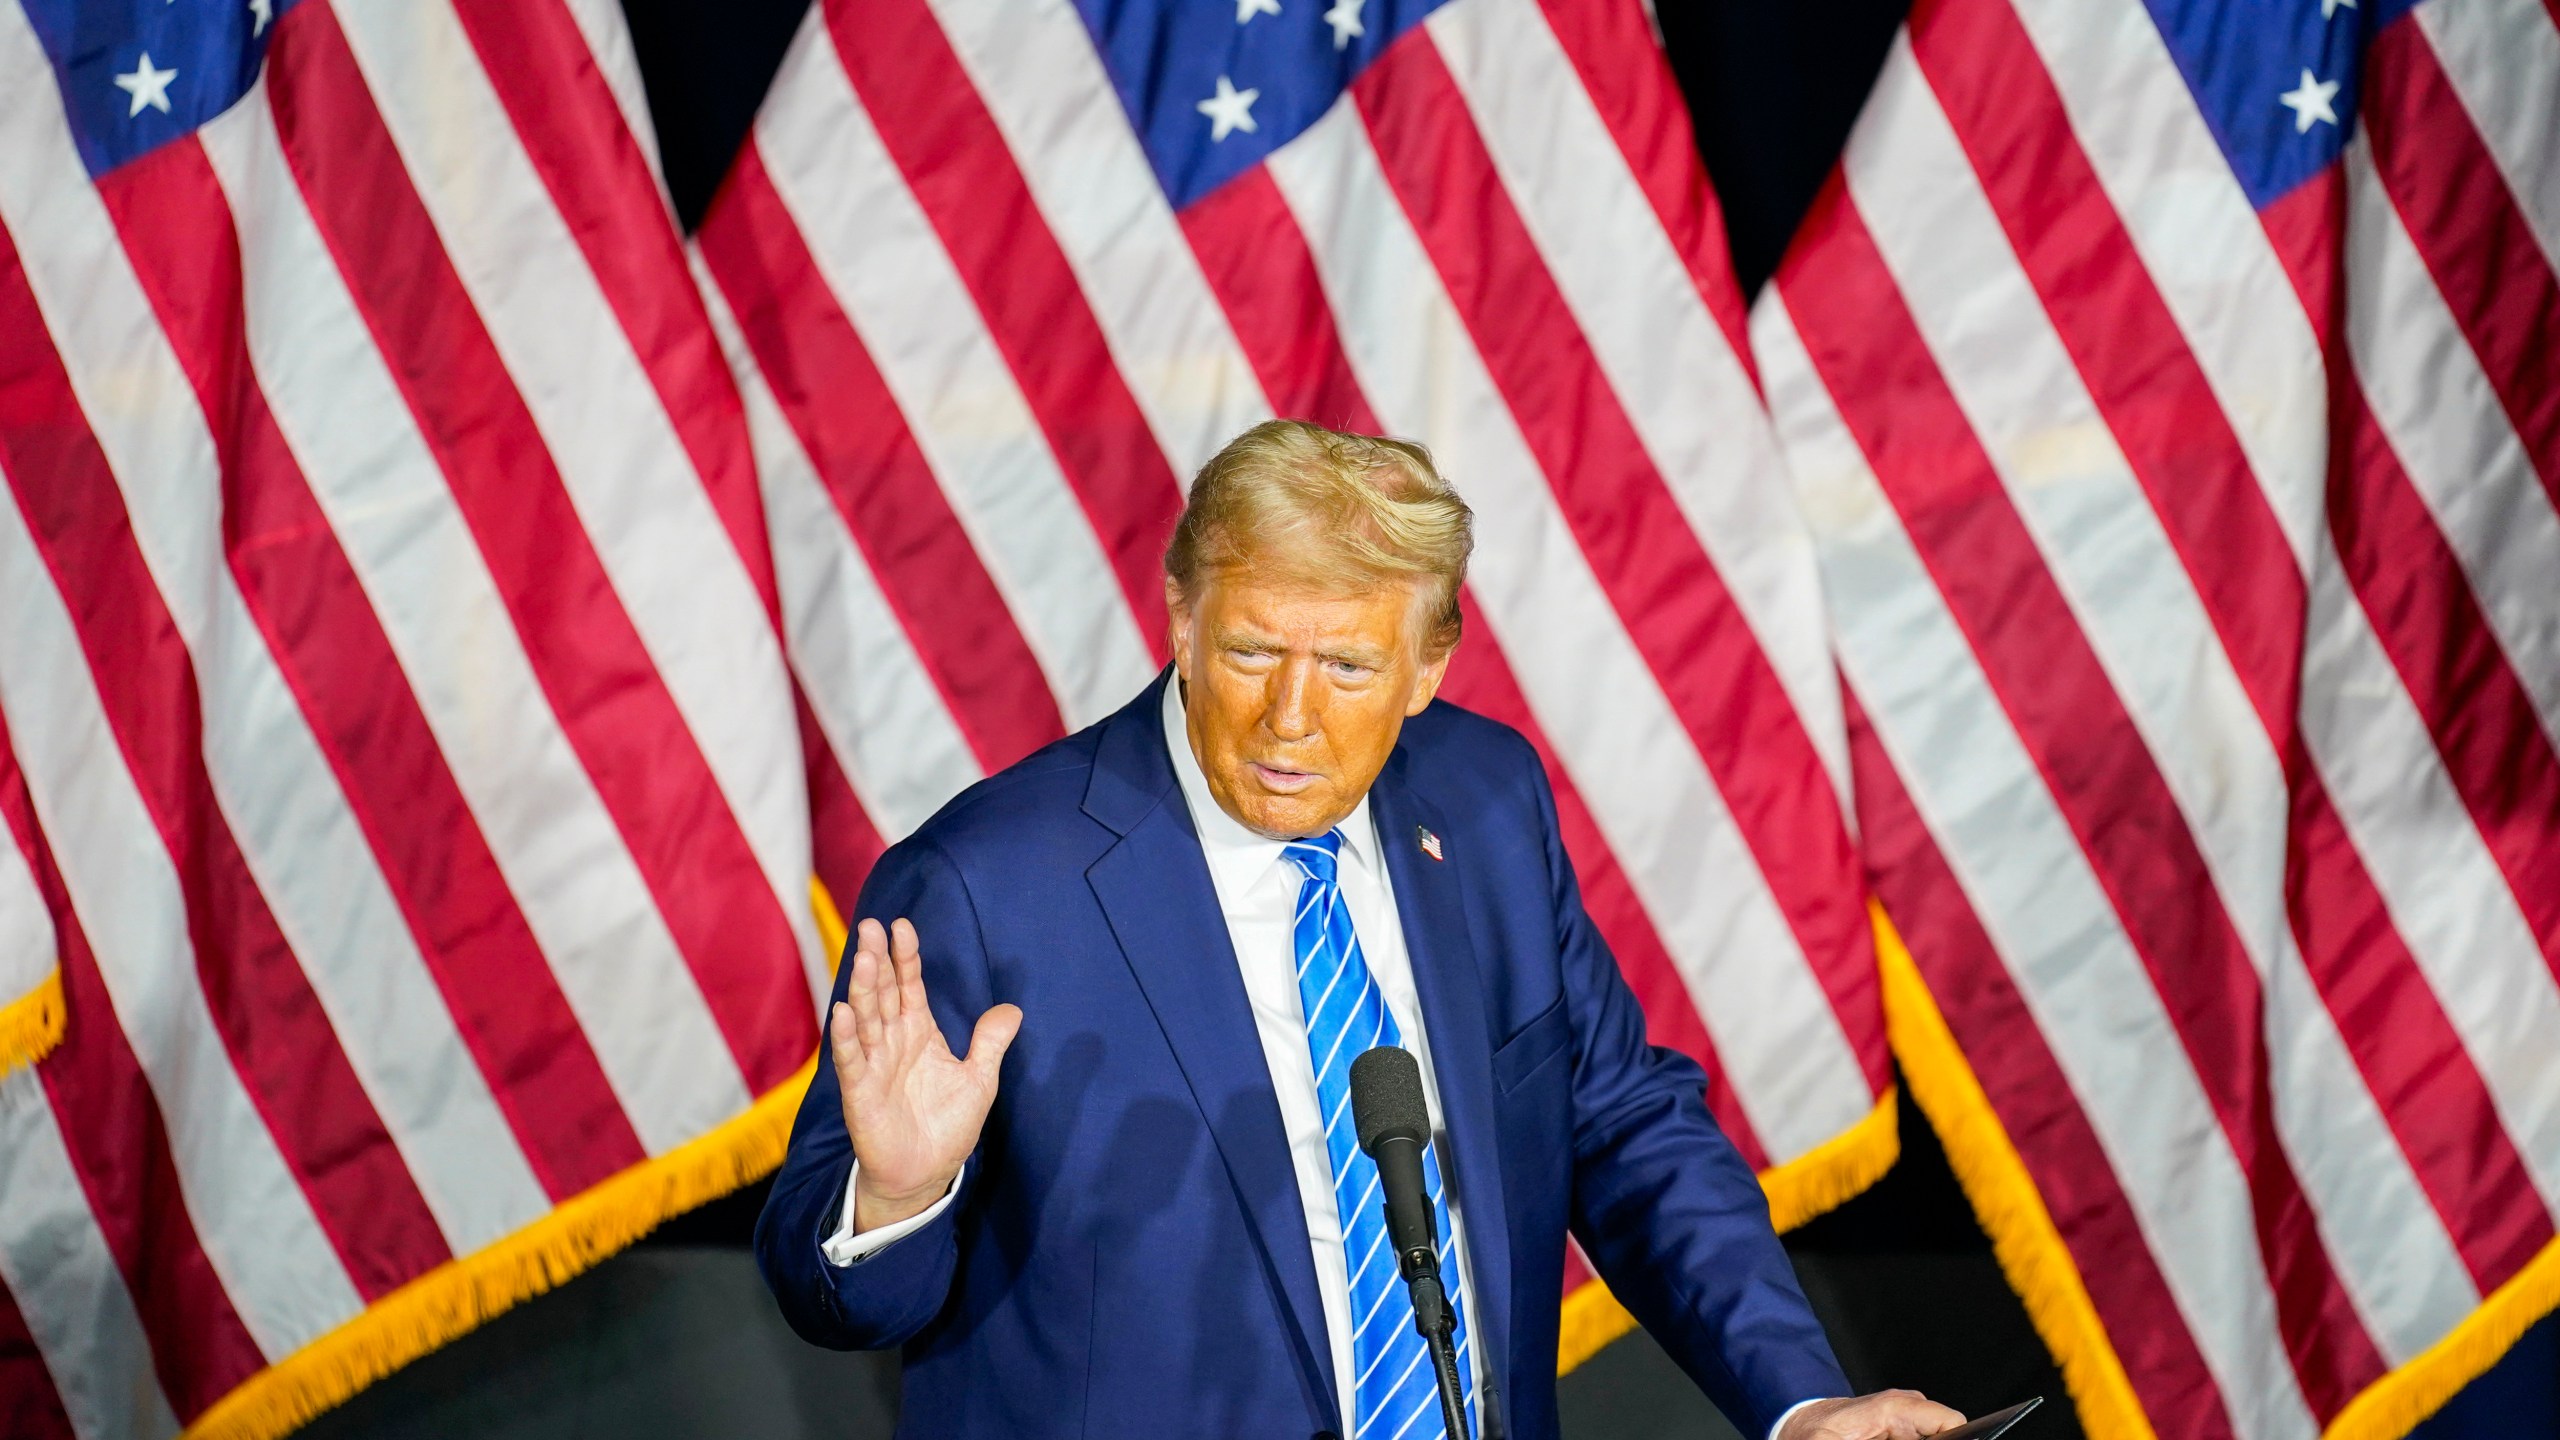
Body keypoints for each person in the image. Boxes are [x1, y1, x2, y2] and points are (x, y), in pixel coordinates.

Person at [758, 420, 1965, 1440]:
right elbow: (827, 1296)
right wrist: (897, 1194)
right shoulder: (985, 884)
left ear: (1428, 664)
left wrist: (1800, 1405)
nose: (1289, 717)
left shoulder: (1485, 805)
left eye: (1343, 667)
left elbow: (1621, 1127)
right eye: (1249, 652)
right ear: (1179, 616)